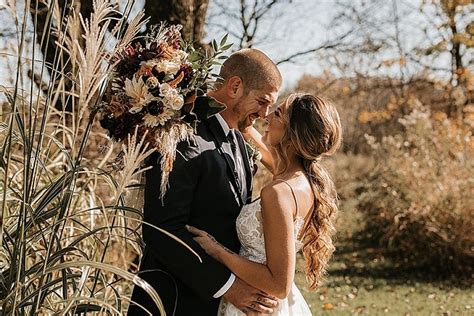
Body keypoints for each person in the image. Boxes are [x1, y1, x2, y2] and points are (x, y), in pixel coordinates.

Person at [129, 48, 282, 315]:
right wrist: (229, 287)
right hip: (172, 302)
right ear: (235, 87)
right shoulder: (182, 137)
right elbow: (161, 230)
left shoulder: (237, 138)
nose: (266, 113)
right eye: (262, 101)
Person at [188, 93, 342, 315]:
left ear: (293, 132)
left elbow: (279, 285)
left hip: (258, 302)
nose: (267, 116)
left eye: (277, 113)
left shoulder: (278, 192)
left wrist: (218, 251)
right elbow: (250, 134)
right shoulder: (302, 179)